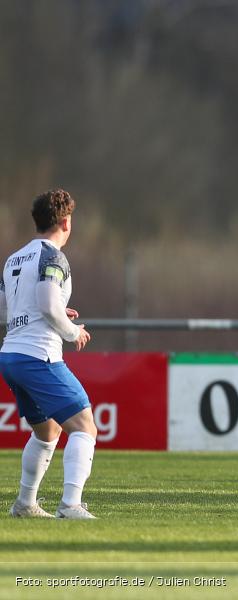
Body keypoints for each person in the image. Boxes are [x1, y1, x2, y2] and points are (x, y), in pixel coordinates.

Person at [0, 189, 97, 520]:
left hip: (11, 355)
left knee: (48, 431)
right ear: (66, 222)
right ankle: (70, 505)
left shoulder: (15, 257)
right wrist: (73, 332)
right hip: (37, 356)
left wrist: (54, 310)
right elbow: (45, 303)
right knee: (84, 424)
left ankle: (25, 504)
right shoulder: (53, 257)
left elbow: (7, 308)